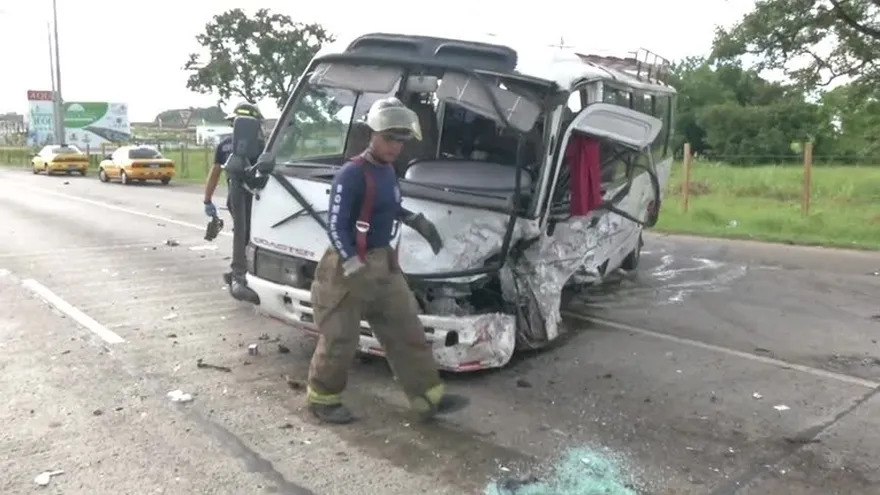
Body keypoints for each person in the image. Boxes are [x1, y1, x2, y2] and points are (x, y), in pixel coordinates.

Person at [306, 96, 469, 425]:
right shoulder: (351, 174)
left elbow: (386, 206)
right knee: (341, 337)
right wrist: (352, 264)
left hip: (383, 264)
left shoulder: (388, 173)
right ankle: (323, 398)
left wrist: (415, 220)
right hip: (347, 266)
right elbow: (335, 226)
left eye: (401, 140)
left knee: (406, 328)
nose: (396, 146)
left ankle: (427, 397)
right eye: (390, 138)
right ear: (373, 134)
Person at [202, 102, 264, 303]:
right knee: (248, 236)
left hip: (239, 199)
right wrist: (207, 200)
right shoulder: (261, 146)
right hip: (252, 199)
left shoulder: (225, 145)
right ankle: (240, 274)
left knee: (245, 235)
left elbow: (214, 175)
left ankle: (240, 273)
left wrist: (208, 199)